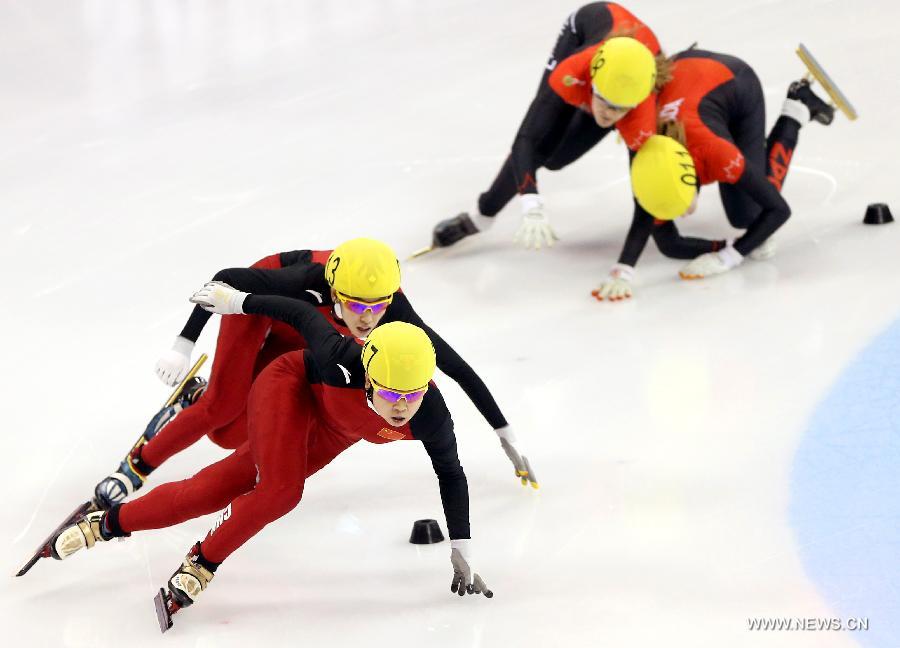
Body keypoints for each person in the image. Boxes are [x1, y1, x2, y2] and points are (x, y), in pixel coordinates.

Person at [52, 305, 493, 626]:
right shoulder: (338, 358)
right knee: (282, 491)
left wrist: (461, 549)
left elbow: (452, 475)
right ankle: (203, 564)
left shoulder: (432, 415)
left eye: (413, 393)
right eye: (391, 393)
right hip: (289, 386)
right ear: (368, 376)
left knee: (217, 488)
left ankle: (106, 523)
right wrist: (236, 303)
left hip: (330, 433)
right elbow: (302, 314)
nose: (402, 407)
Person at [94, 239, 535, 509]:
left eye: (376, 307)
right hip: (258, 303)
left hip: (308, 332)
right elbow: (226, 279)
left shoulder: (391, 309)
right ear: (334, 289)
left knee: (231, 436)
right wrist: (182, 343)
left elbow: (455, 367)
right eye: (357, 306)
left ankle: (197, 397)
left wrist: (504, 432)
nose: (367, 318)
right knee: (223, 404)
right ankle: (136, 466)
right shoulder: (306, 278)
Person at [593, 48, 835, 300]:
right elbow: (666, 241)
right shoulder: (645, 157)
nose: (679, 213)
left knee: (747, 215)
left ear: (691, 180)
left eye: (676, 205)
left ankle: (798, 106)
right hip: (684, 75)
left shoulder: (716, 153)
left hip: (734, 81)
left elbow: (778, 210)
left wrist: (728, 258)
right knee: (748, 224)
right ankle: (750, 152)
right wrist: (622, 271)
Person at [431, 3, 665, 251]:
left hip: (629, 73)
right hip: (589, 26)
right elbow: (526, 138)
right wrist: (531, 200)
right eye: (604, 103)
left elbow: (644, 194)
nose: (608, 115)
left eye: (619, 110)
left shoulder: (642, 113)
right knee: (542, 143)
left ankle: (602, 104)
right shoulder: (572, 71)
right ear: (591, 86)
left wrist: (625, 269)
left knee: (556, 159)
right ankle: (483, 216)